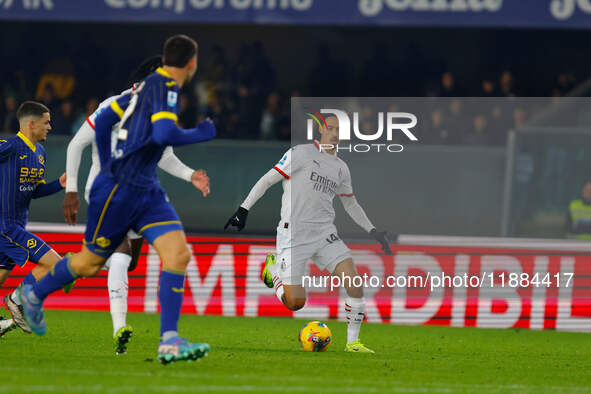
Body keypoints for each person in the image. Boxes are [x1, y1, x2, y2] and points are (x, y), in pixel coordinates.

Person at [17, 35, 216, 365]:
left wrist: (115, 160)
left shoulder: (143, 91)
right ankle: (33, 294)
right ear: (192, 63)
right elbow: (165, 135)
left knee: (178, 254)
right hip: (119, 190)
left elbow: (109, 120)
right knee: (88, 263)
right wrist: (202, 133)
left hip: (147, 190)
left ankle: (169, 340)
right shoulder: (164, 89)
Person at [63, 55, 210, 355]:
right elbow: (77, 143)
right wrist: (73, 191)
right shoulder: (114, 105)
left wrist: (189, 175)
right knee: (122, 254)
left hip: (139, 192)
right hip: (104, 188)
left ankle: (73, 266)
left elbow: (165, 156)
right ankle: (120, 328)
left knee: (127, 261)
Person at [225, 114, 391, 353]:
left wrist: (372, 230)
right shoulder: (300, 153)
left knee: (354, 282)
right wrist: (243, 209)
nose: (335, 134)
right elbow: (266, 180)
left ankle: (353, 343)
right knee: (295, 303)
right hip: (294, 233)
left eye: (339, 130)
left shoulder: (341, 168)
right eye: (330, 128)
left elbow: (350, 204)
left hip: (325, 233)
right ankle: (273, 270)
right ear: (321, 130)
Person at [1, 102, 71, 334]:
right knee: (56, 264)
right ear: (31, 124)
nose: (50, 127)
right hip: (6, 226)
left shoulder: (39, 153)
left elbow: (34, 190)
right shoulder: (9, 146)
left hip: (17, 225)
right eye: (46, 122)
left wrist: (58, 185)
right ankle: (17, 299)